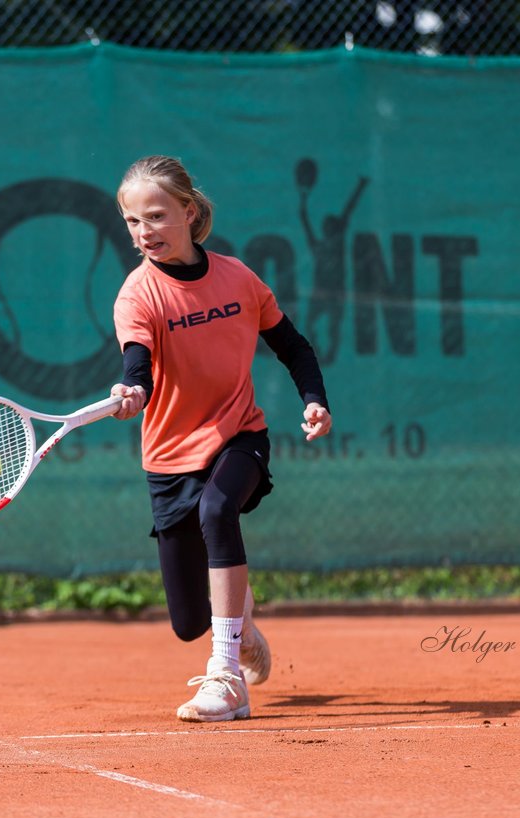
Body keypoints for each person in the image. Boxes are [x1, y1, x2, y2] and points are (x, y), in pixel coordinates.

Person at [108, 155, 332, 723]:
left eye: (156, 216)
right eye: (133, 222)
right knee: (188, 621)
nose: (144, 232)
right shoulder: (138, 294)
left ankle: (227, 675)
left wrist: (314, 399)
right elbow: (138, 361)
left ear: (188, 210)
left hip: (239, 436)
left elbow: (294, 346)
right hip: (168, 457)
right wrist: (132, 389)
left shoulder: (237, 277)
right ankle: (242, 622)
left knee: (217, 509)